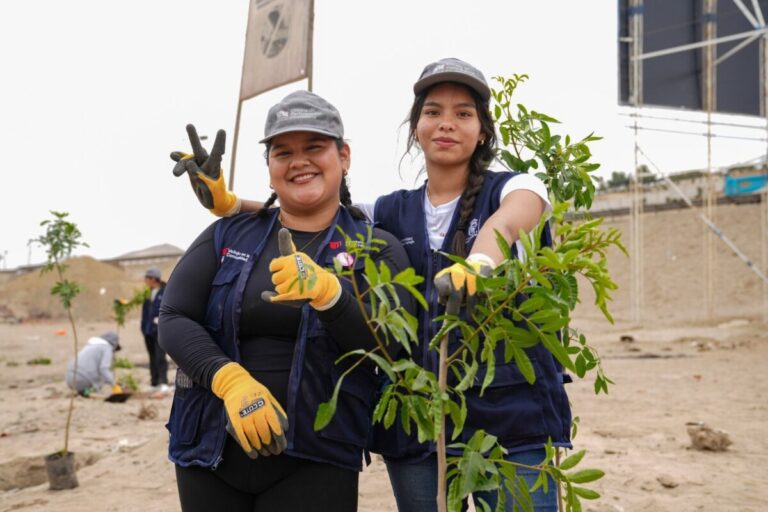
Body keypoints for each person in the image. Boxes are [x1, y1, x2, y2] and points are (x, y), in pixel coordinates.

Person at [175, 58, 571, 511]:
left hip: (511, 422)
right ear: (416, 128)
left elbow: (510, 221)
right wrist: (230, 205)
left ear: (482, 131)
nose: (446, 123)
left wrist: (479, 263)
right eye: (433, 112)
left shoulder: (515, 186)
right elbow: (308, 207)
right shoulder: (387, 212)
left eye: (463, 113)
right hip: (417, 424)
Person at [158, 90, 414, 512]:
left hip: (316, 459)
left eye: (314, 147)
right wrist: (230, 381)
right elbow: (173, 315)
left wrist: (332, 297)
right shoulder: (228, 234)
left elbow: (393, 349)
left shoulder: (375, 248)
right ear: (270, 168)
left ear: (344, 156)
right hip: (209, 450)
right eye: (283, 152)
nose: (298, 161)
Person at [65, 330, 121, 396]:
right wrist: (114, 384)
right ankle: (90, 391)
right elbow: (104, 369)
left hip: (69, 378)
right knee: (103, 376)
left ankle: (84, 392)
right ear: (114, 345)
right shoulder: (107, 348)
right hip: (83, 379)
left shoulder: (91, 345)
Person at [141, 267, 169, 391]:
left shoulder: (165, 292)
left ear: (153, 278)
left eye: (147, 278)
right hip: (148, 331)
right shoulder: (148, 293)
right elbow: (145, 312)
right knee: (152, 357)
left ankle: (163, 381)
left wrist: (161, 322)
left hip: (159, 331)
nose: (145, 280)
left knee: (160, 356)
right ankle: (154, 382)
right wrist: (143, 328)